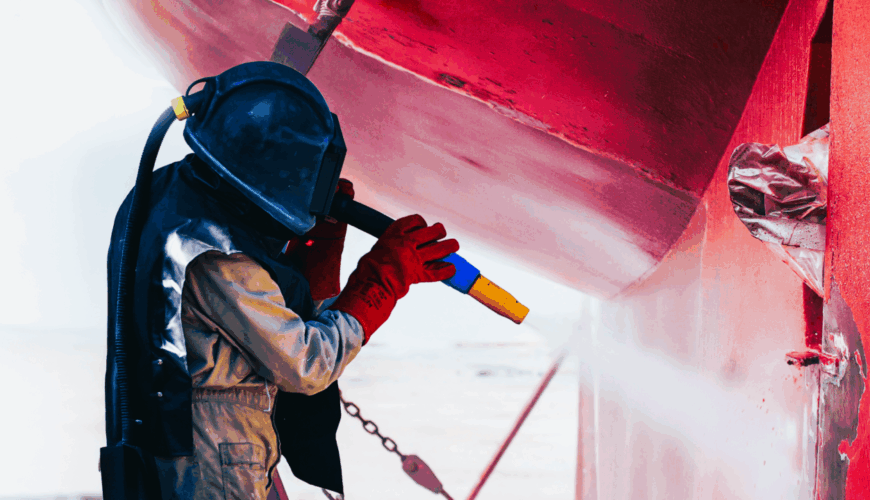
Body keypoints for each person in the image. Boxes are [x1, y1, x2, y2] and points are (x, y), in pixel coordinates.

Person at [103, 61, 458, 499]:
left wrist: (320, 246)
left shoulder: (167, 197)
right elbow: (308, 364)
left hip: (180, 440)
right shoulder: (216, 257)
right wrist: (382, 278)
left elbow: (258, 315)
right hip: (216, 457)